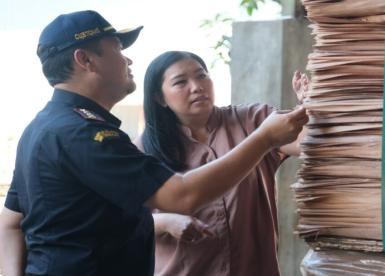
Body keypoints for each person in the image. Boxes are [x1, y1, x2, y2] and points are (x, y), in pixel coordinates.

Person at [0, 11, 308, 276]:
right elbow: (181, 195)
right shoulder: (85, 135)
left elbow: (11, 223)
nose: (128, 59)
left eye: (202, 75)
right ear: (85, 60)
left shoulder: (43, 128)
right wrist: (264, 138)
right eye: (118, 49)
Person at [134, 51, 309, 276]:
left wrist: (310, 107)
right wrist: (166, 221)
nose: (197, 86)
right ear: (159, 98)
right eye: (180, 82)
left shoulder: (254, 120)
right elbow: (121, 221)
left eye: (202, 76)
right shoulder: (142, 150)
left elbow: (307, 144)